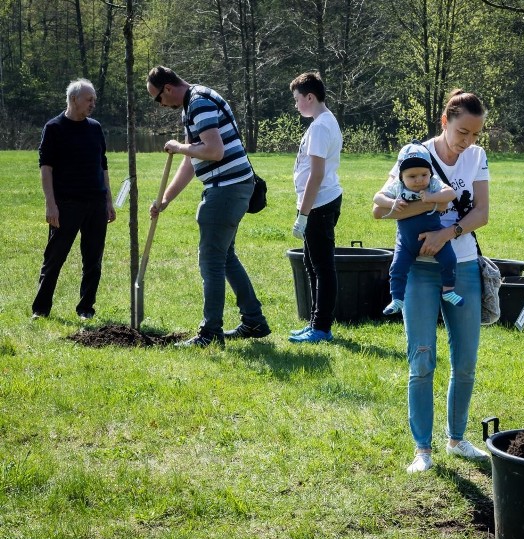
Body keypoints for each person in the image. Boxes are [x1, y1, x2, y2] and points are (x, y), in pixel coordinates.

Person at [372, 90, 491, 473]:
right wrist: (430, 204)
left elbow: (482, 213)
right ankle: (422, 450)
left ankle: (457, 439)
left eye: (475, 134)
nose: (467, 141)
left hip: (464, 267)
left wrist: (448, 232)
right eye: (462, 132)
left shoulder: (476, 156)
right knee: (421, 360)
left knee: (466, 361)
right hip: (417, 272)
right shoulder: (416, 154)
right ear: (445, 121)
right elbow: (380, 208)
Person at [146, 65, 270, 347]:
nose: (160, 105)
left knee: (211, 262)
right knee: (225, 258)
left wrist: (179, 146)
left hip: (226, 190)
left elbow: (214, 151)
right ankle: (254, 321)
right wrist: (166, 198)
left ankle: (210, 333)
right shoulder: (194, 102)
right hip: (231, 187)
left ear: (167, 88)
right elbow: (193, 160)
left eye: (158, 98)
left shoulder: (199, 102)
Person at [32, 78, 116, 321]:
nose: (92, 104)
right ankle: (41, 309)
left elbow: (103, 166)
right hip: (66, 204)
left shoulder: (95, 127)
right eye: (89, 100)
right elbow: (45, 168)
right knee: (54, 258)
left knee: (93, 260)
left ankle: (86, 309)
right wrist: (51, 204)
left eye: (94, 100)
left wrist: (108, 201)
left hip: (96, 204)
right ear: (73, 99)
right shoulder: (54, 128)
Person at [288, 71, 343, 344]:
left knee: (322, 267)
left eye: (298, 99)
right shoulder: (323, 122)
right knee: (312, 264)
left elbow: (316, 174)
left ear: (310, 97)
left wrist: (303, 215)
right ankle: (314, 323)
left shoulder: (321, 126)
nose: (296, 104)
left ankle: (321, 328)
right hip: (319, 202)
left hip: (320, 204)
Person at [379, 142, 463, 316]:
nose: (419, 180)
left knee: (449, 260)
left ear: (430, 173)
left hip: (434, 235)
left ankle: (449, 291)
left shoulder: (432, 184)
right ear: (401, 176)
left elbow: (451, 194)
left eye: (424, 174)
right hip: (406, 242)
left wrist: (432, 197)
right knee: (397, 268)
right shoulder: (397, 187)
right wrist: (391, 202)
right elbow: (377, 198)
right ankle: (397, 299)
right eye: (412, 176)